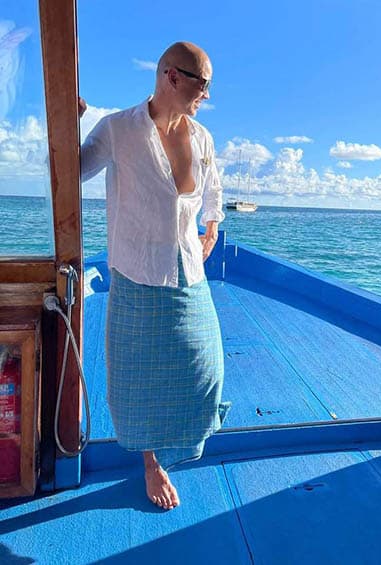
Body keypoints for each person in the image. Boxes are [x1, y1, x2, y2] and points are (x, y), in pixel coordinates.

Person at [79, 41, 229, 510]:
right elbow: (71, 172)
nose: (206, 94)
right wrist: (65, 127)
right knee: (137, 378)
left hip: (188, 268)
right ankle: (151, 462)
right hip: (136, 269)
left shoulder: (201, 138)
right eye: (202, 83)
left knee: (206, 370)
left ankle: (178, 444)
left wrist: (212, 226)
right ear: (170, 76)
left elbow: (213, 190)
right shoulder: (118, 129)